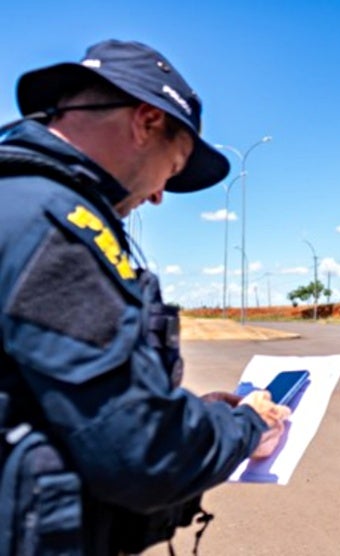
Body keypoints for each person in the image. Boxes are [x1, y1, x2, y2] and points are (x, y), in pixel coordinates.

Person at [0, 40, 290, 555]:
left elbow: (54, 400)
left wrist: (183, 410)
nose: (158, 195)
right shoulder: (57, 229)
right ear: (146, 121)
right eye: (172, 169)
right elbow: (138, 450)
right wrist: (248, 425)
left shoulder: (17, 202)